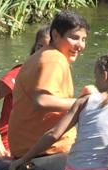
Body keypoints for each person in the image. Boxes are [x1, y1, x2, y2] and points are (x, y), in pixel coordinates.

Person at [9, 53, 108, 170]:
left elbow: (53, 134)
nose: (95, 81)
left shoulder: (84, 100)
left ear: (104, 76)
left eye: (96, 77)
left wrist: (24, 159)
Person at [8, 10, 90, 158]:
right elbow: (42, 101)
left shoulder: (43, 55)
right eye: (74, 38)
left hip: (26, 148)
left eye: (83, 39)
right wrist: (85, 102)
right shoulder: (54, 59)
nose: (80, 45)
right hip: (44, 150)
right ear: (56, 35)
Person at [0, 25, 51, 157]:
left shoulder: (56, 77)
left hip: (35, 145)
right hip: (8, 146)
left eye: (49, 49)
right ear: (34, 48)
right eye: (40, 47)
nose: (42, 53)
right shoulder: (21, 72)